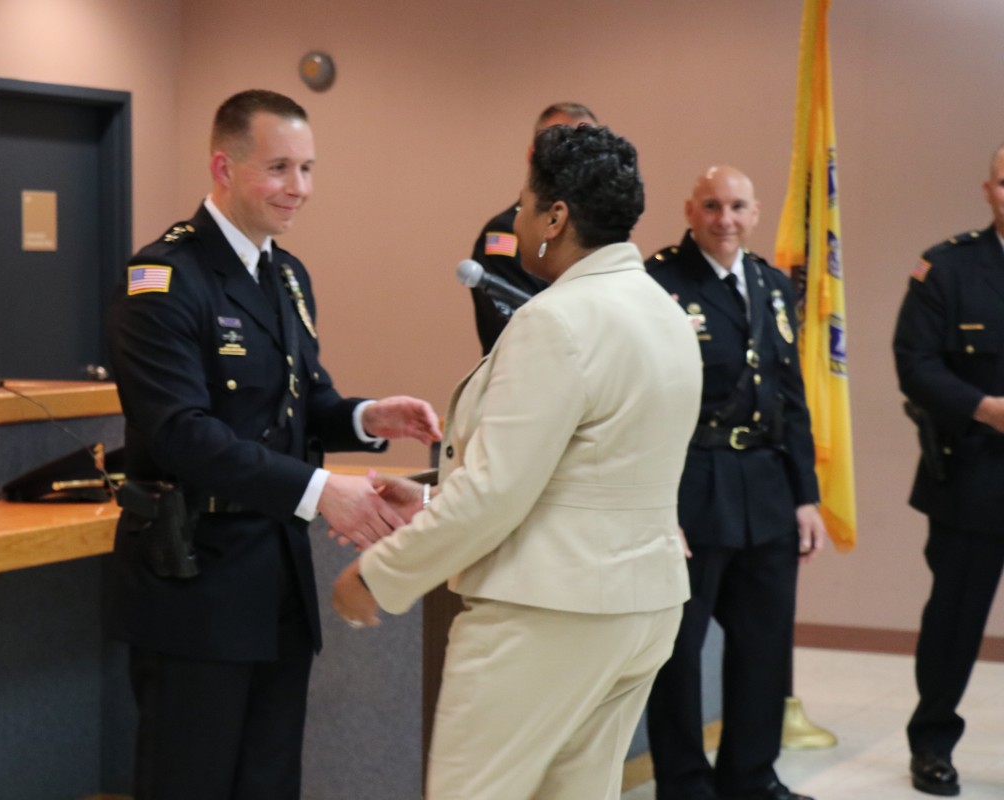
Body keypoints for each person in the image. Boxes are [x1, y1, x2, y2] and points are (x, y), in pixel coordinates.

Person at [332, 124, 702, 800]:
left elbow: (497, 495)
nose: (517, 218)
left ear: (556, 217)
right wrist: (431, 503)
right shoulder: (666, 313)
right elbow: (587, 472)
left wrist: (379, 572)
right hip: (641, 608)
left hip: (548, 614)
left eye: (525, 205)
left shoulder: (554, 321)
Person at [105, 89, 441, 800]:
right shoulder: (163, 278)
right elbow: (181, 435)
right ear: (223, 168)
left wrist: (367, 418)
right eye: (281, 168)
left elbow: (302, 401)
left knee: (268, 784)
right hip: (195, 583)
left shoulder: (285, 274)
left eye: (309, 169)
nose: (300, 190)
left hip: (275, 585)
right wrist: (323, 493)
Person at [644, 166, 827, 800]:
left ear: (755, 214)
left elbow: (791, 397)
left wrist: (806, 496)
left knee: (764, 642)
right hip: (692, 484)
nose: (726, 219)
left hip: (766, 487)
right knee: (680, 648)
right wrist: (654, 507)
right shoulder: (658, 282)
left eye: (738, 207)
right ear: (691, 211)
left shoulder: (773, 286)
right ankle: (686, 784)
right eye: (713, 206)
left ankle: (751, 775)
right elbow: (643, 403)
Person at [892, 143, 1004, 798]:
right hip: (975, 474)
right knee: (954, 623)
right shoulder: (948, 267)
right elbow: (917, 363)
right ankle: (933, 743)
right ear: (988, 190)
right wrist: (986, 409)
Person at [468, 102, 598, 355]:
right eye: (560, 146)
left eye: (587, 147)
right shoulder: (507, 234)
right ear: (532, 155)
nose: (574, 157)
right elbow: (521, 335)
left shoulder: (597, 231)